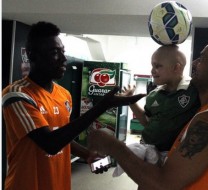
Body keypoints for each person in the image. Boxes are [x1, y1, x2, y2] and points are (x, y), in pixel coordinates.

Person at [88, 33, 208, 190]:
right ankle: (100, 161)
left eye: (201, 59)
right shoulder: (204, 110)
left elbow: (163, 184)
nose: (194, 63)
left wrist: (111, 144)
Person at [1, 21, 144, 190]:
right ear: (32, 55)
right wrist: (102, 106)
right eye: (55, 53)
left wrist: (87, 154)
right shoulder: (17, 95)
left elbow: (62, 137)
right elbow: (50, 143)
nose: (63, 59)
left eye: (63, 52)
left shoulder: (64, 95)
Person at [121, 45, 208, 164]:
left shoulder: (193, 89)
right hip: (147, 149)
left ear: (176, 67)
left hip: (173, 156)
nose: (152, 71)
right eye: (152, 65)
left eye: (158, 66)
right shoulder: (153, 95)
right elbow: (146, 121)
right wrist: (130, 101)